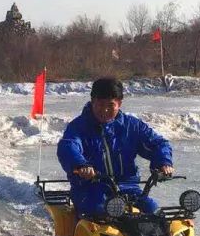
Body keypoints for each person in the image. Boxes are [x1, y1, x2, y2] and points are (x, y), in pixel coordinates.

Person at [57, 77, 173, 217]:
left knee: (155, 213)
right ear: (92, 101)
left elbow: (158, 144)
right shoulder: (78, 127)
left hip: (129, 189)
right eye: (100, 105)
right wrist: (81, 165)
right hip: (90, 190)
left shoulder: (132, 126)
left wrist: (163, 162)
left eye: (110, 105)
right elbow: (68, 146)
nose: (105, 110)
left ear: (119, 103)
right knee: (100, 214)